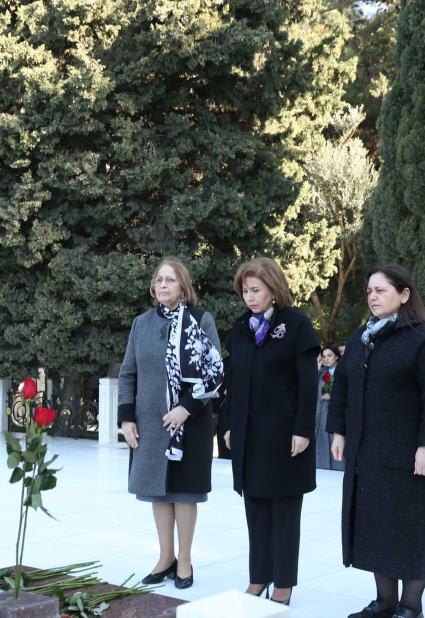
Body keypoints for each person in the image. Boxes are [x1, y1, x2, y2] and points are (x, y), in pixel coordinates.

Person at [328, 266, 425, 618]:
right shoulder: (361, 338)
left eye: (381, 290)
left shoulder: (424, 340)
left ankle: (410, 606)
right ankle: (385, 603)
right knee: (375, 529)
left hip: (409, 458)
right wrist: (339, 431)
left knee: (410, 529)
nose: (372, 296)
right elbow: (342, 387)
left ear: (404, 294)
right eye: (369, 290)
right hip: (368, 457)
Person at [117, 257, 223, 590]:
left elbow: (215, 371)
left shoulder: (200, 320)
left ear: (183, 287)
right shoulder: (141, 323)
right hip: (149, 424)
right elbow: (127, 374)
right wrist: (126, 418)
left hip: (189, 424)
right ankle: (165, 558)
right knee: (158, 494)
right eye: (159, 280)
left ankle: (185, 560)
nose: (164, 285)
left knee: (184, 493)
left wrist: (185, 408)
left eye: (171, 280)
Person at [221, 257, 319, 606]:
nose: (249, 296)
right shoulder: (240, 329)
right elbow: (232, 383)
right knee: (257, 510)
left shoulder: (297, 326)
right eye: (245, 290)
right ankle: (258, 578)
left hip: (285, 435)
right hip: (250, 436)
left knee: (285, 513)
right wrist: (229, 424)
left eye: (255, 289)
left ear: (274, 289)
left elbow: (309, 385)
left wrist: (303, 430)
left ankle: (283, 585)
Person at [315, 344, 344, 471]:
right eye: (324, 356)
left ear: (337, 356)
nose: (326, 359)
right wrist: (315, 370)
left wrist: (333, 396)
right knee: (321, 440)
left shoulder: (343, 372)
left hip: (336, 413)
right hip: (320, 413)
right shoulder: (321, 372)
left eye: (330, 356)